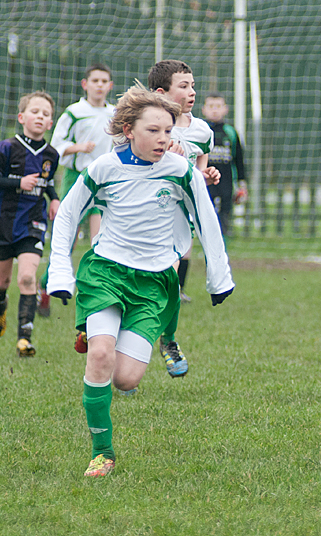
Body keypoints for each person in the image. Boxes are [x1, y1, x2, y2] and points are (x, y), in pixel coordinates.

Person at [46, 84, 234, 477]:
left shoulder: (180, 170)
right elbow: (68, 216)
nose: (164, 139)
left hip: (153, 284)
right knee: (100, 356)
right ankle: (103, 452)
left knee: (126, 379)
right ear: (128, 130)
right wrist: (60, 271)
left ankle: (97, 336)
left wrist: (219, 279)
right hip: (106, 271)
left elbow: (206, 220)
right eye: (154, 131)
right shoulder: (104, 168)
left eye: (168, 131)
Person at [147, 59, 221, 378]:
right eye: (184, 86)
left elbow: (199, 172)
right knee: (138, 286)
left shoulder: (202, 130)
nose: (192, 92)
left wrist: (206, 175)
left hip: (177, 216)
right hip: (142, 214)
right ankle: (105, 335)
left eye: (193, 85)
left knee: (170, 283)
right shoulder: (145, 124)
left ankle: (168, 340)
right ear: (162, 92)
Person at [0, 91, 60, 358]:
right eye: (35, 111)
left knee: (27, 277)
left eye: (46, 114)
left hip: (32, 223)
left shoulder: (51, 154)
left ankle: (24, 339)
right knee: (1, 281)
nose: (40, 116)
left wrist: (55, 199)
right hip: (1, 223)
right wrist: (18, 182)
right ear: (21, 117)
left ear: (50, 123)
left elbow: (47, 183)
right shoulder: (5, 148)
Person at [37, 63, 115, 318]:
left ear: (110, 86)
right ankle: (45, 290)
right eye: (95, 81)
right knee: (66, 239)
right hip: (76, 178)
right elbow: (55, 146)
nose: (100, 85)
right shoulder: (73, 112)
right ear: (85, 84)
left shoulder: (115, 114)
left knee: (102, 242)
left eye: (104, 81)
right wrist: (78, 147)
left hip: (105, 181)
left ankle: (97, 295)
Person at [201, 92, 248, 244]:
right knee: (206, 216)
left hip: (226, 184)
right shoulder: (200, 131)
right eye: (211, 106)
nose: (214, 110)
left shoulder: (230, 133)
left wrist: (242, 184)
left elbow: (239, 160)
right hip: (205, 183)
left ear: (225, 109)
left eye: (218, 106)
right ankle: (206, 244)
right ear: (204, 110)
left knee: (224, 217)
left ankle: (222, 245)